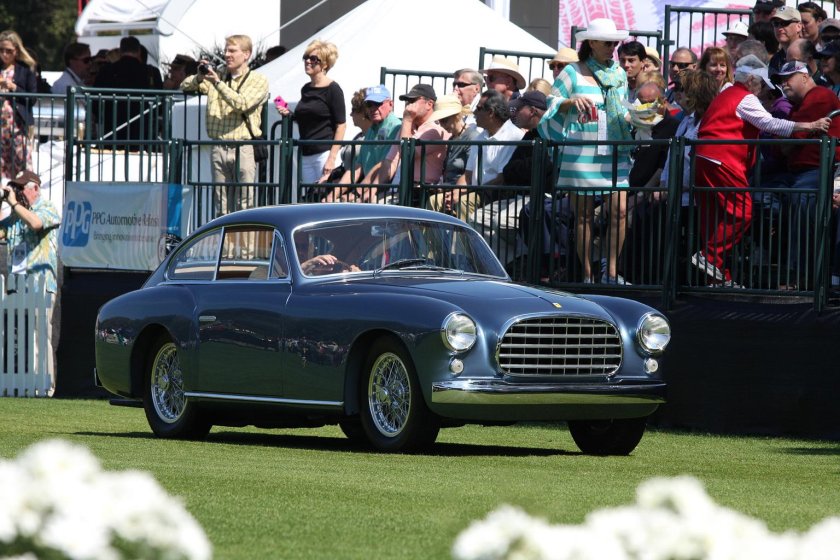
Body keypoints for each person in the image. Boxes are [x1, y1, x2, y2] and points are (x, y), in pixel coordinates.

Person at [691, 61, 831, 286]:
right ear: (752, 82)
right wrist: (809, 125)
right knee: (742, 211)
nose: (766, 93)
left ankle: (716, 278)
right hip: (723, 159)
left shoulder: (723, 97)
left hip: (704, 159)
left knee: (715, 218)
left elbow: (701, 130)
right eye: (764, 88)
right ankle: (709, 257)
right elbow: (769, 124)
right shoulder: (744, 97)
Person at [539, 18, 634, 284]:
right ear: (591, 43)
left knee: (621, 211)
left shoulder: (619, 72)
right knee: (582, 215)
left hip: (615, 148)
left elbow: (624, 108)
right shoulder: (571, 71)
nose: (612, 48)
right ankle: (588, 274)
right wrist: (570, 102)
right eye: (607, 42)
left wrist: (639, 118)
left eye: (614, 43)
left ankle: (612, 273)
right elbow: (551, 103)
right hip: (581, 151)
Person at [765, 61, 840, 285]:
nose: (783, 83)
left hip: (819, 169)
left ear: (806, 77)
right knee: (760, 195)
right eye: (780, 80)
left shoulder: (820, 95)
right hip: (796, 171)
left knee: (802, 196)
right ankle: (765, 264)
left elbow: (791, 138)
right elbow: (780, 147)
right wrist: (789, 141)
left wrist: (789, 140)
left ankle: (799, 275)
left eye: (789, 77)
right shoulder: (796, 105)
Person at [181, 34, 269, 217]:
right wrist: (199, 76)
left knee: (245, 203)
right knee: (221, 204)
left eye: (232, 50)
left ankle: (246, 247)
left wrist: (218, 83)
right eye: (226, 50)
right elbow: (184, 86)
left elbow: (241, 104)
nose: (227, 54)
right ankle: (226, 246)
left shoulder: (258, 80)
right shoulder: (217, 76)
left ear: (246, 54)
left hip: (244, 146)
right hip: (218, 146)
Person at [0, 170, 60, 394]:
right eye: (14, 188)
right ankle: (24, 385)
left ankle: (45, 387)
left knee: (40, 335)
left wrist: (14, 204)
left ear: (35, 187)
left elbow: (35, 223)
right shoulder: (16, 217)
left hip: (41, 284)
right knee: (20, 337)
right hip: (18, 285)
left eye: (21, 187)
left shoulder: (48, 208)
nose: (16, 192)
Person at [276, 40, 346, 188]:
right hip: (306, 154)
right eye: (306, 57)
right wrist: (287, 112)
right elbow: (305, 118)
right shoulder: (306, 89)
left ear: (325, 64)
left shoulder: (333, 89)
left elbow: (341, 125)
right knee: (310, 199)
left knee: (326, 200)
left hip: (324, 154)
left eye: (313, 59)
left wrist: (332, 158)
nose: (308, 61)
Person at [364, 84, 449, 205]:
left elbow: (407, 155)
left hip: (423, 193)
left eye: (413, 100)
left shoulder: (435, 131)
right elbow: (390, 161)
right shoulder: (407, 127)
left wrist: (407, 120)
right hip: (402, 189)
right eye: (407, 101)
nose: (408, 105)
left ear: (429, 104)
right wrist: (372, 190)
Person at [94, 36, 160, 146]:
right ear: (139, 51)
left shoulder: (106, 71)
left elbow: (95, 104)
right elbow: (159, 106)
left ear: (120, 51)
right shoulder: (152, 72)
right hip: (144, 138)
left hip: (112, 136)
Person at [427, 94, 480, 219]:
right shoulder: (452, 139)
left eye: (444, 120)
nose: (442, 125)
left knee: (435, 201)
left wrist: (454, 192)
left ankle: (460, 239)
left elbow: (470, 173)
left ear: (457, 116)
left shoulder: (472, 137)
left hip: (463, 193)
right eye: (439, 121)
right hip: (449, 191)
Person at [0, 30, 36, 181]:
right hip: (1, 127)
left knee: (23, 169)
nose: (4, 54)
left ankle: (25, 202)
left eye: (8, 51)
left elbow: (32, 97)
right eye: (1, 50)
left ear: (16, 50)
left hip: (17, 126)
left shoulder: (25, 69)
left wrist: (13, 87)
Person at [768, 6, 802, 74]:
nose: (779, 28)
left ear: (798, 26)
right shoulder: (775, 59)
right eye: (776, 24)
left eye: (785, 23)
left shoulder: (808, 54)